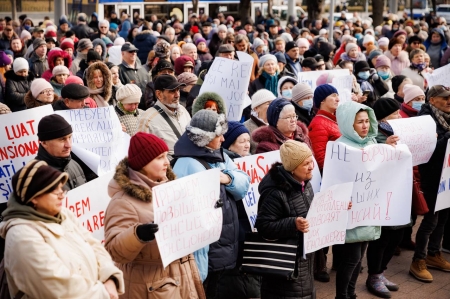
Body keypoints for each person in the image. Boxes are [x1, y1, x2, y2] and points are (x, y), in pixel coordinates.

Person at [0, 159, 124, 299]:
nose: (61, 195)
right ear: (34, 197)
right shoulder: (21, 236)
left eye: (61, 188)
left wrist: (109, 278)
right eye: (54, 190)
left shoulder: (63, 214)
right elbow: (56, 288)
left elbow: (94, 246)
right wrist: (103, 293)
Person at [103, 132, 205, 299]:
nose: (167, 162)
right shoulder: (123, 202)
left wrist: (206, 211)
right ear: (143, 163)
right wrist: (137, 235)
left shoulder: (172, 190)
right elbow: (114, 250)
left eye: (166, 156)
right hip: (150, 287)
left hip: (183, 278)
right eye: (159, 158)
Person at [172, 110, 250, 298]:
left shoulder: (219, 155)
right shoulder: (187, 165)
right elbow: (193, 218)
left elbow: (243, 185)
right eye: (218, 135)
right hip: (205, 253)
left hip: (220, 247)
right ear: (204, 138)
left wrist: (225, 178)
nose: (223, 139)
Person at [334, 101, 385, 299]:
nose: (365, 126)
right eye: (359, 122)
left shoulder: (372, 143)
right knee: (351, 258)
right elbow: (335, 180)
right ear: (349, 124)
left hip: (368, 210)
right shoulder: (341, 147)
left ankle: (351, 293)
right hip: (351, 211)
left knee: (359, 258)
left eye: (366, 121)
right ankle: (342, 296)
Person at [255, 140, 315, 298]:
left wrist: (339, 208)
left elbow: (313, 212)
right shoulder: (275, 193)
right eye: (306, 163)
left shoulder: (305, 184)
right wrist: (293, 224)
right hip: (284, 269)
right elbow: (263, 226)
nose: (311, 167)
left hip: (304, 263)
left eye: (311, 161)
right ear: (293, 169)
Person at [365, 98, 406, 298]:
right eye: (394, 115)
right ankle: (373, 275)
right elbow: (368, 158)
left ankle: (381, 272)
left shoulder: (399, 133)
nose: (398, 118)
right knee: (381, 237)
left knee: (398, 233)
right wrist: (385, 147)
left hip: (399, 189)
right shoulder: (374, 135)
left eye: (399, 114)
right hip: (379, 194)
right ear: (381, 119)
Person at [409, 85, 450, 283]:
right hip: (432, 177)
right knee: (430, 221)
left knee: (443, 218)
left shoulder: (446, 118)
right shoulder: (424, 121)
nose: (449, 101)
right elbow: (431, 154)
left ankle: (434, 253)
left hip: (447, 177)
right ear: (432, 100)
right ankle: (419, 260)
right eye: (444, 97)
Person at [138, 75, 191, 159]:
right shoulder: (147, 119)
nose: (177, 95)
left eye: (178, 90)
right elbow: (142, 153)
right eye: (172, 91)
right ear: (159, 94)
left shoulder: (183, 110)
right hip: (166, 169)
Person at [35, 114, 87, 190]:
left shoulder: (74, 165)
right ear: (44, 143)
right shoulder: (36, 175)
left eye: (70, 137)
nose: (68, 145)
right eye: (62, 139)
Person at [308, 84, 341, 172]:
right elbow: (320, 158)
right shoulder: (318, 124)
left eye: (338, 96)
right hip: (334, 174)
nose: (338, 99)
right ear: (322, 100)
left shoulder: (334, 120)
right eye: (334, 96)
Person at [118, 43, 150, 109]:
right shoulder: (119, 70)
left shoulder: (143, 70)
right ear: (122, 53)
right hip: (130, 110)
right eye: (130, 51)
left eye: (135, 51)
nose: (134, 53)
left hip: (146, 108)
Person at [244, 89, 276, 154]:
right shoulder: (245, 127)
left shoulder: (277, 125)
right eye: (268, 104)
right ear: (256, 108)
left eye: (274, 103)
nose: (273, 107)